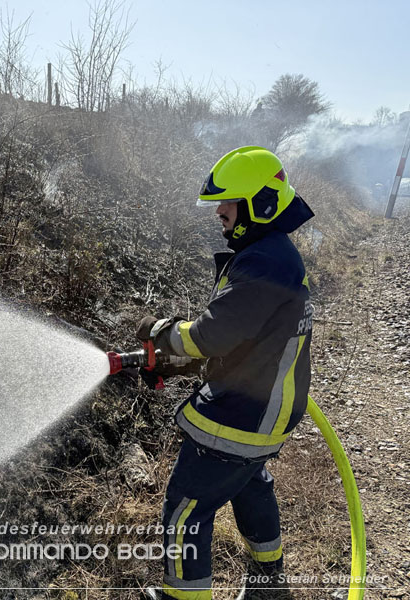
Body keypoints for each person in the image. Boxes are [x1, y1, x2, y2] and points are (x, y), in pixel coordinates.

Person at [141, 146, 315, 600]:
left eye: (229, 201)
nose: (219, 211)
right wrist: (187, 359)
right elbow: (248, 340)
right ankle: (268, 584)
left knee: (185, 512)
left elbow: (215, 335)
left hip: (240, 415)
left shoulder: (264, 262)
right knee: (249, 484)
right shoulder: (274, 254)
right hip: (265, 411)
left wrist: (166, 335)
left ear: (260, 203)